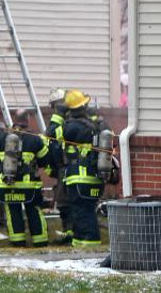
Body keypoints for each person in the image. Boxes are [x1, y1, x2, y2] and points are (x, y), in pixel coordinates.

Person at [0, 109, 50, 247]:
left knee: (12, 213)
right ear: (27, 122)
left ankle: (18, 241)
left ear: (14, 120)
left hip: (7, 185)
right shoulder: (35, 140)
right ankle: (40, 241)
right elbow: (45, 160)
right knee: (34, 211)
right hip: (29, 187)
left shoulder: (1, 139)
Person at [63, 89, 111, 248]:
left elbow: (54, 137)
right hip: (94, 177)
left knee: (81, 213)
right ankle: (81, 245)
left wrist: (58, 116)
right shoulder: (95, 127)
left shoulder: (72, 127)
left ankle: (87, 247)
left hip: (79, 178)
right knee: (86, 212)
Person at [45, 87, 72, 243]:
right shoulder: (64, 122)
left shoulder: (60, 123)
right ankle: (69, 231)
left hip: (66, 167)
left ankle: (70, 233)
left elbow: (53, 143)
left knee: (64, 202)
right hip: (65, 166)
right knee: (65, 201)